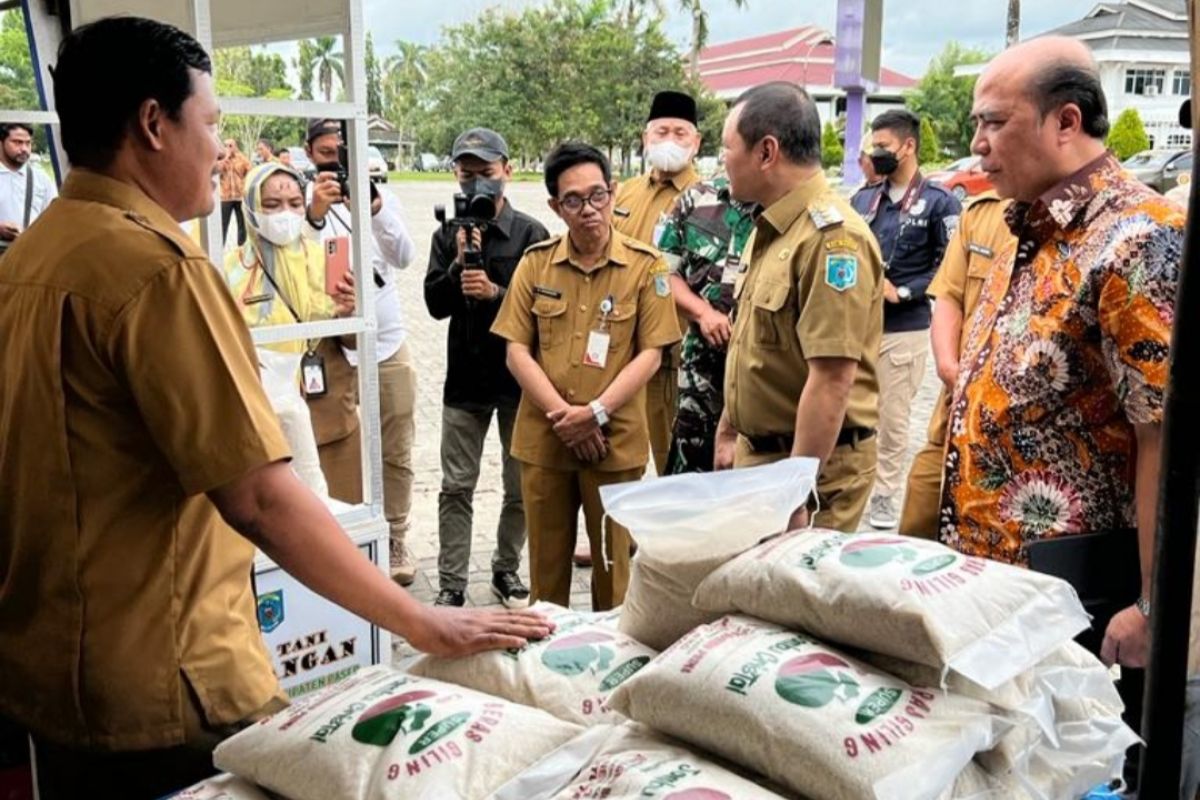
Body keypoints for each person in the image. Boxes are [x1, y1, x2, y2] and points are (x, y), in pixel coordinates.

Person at [0, 17, 551, 799]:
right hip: (163, 682)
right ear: (155, 125)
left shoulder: (33, 253)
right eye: (213, 124)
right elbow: (257, 494)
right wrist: (424, 622)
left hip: (50, 668)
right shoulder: (157, 269)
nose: (220, 149)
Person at [943, 39, 1183, 788]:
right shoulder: (1028, 226)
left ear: (1065, 121)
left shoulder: (1136, 239)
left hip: (1073, 606)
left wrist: (1154, 602)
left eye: (992, 123)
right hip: (996, 590)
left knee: (1068, 774)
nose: (977, 146)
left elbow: (1164, 438)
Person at [492, 142, 681, 611]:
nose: (589, 210)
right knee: (546, 575)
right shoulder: (535, 263)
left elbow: (652, 354)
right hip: (546, 439)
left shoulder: (647, 266)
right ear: (556, 206)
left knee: (613, 572)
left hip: (614, 443)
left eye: (598, 195)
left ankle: (611, 671)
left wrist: (595, 414)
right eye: (573, 200)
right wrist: (566, 418)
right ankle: (547, 670)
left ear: (613, 193)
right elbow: (517, 351)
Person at [714, 81, 883, 533]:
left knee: (795, 599)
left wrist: (796, 492)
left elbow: (831, 380)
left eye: (727, 149)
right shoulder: (771, 227)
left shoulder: (831, 241)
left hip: (810, 473)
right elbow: (756, 346)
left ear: (766, 152)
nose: (722, 161)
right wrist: (730, 429)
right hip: (764, 458)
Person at [424, 128, 550, 608]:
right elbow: (434, 304)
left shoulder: (531, 235)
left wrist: (497, 295)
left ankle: (505, 569)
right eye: (467, 173)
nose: (477, 183)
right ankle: (452, 581)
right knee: (456, 486)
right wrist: (457, 268)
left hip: (518, 382)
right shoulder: (445, 232)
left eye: (486, 173)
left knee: (520, 486)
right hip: (465, 382)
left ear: (508, 171)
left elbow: (544, 310)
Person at [304, 118, 420, 585]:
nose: (337, 160)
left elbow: (405, 255)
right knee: (335, 448)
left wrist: (370, 207)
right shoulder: (301, 200)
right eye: (328, 152)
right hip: (330, 350)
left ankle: (394, 536)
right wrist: (313, 212)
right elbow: (289, 253)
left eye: (345, 151)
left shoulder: (376, 196)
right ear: (311, 153)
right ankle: (342, 540)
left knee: (396, 446)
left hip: (386, 341)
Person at [851, 109, 962, 530]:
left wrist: (904, 291)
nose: (876, 154)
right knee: (851, 411)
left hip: (905, 326)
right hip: (859, 324)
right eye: (873, 147)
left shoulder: (939, 202)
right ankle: (852, 485)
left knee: (892, 417)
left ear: (908, 146)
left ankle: (884, 494)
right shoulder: (864, 199)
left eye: (883, 147)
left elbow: (952, 265)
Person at [896, 190, 1014, 537]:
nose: (980, 142)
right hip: (953, 421)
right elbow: (949, 295)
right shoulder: (982, 214)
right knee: (917, 527)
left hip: (1019, 448)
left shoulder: (1100, 220)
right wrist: (949, 368)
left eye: (995, 129)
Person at [613, 90, 703, 478]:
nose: (670, 140)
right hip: (619, 346)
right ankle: (625, 537)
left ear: (697, 143)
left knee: (669, 455)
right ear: (645, 137)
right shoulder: (624, 192)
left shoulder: (709, 199)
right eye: (661, 131)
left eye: (680, 133)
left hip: (671, 352)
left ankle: (674, 538)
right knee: (618, 450)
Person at [656, 174, 755, 474]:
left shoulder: (784, 207)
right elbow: (661, 273)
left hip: (757, 370)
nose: (727, 154)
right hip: (700, 369)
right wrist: (702, 313)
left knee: (745, 475)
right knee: (690, 469)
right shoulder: (698, 198)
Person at [0, 122, 57, 256]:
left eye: (28, 143)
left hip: (30, 255)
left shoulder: (41, 179)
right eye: (17, 142)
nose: (24, 148)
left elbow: (53, 217)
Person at [218, 137, 250, 246]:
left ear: (235, 146)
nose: (228, 148)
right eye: (226, 145)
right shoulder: (221, 159)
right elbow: (217, 172)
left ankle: (241, 248)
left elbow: (250, 171)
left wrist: (243, 183)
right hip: (225, 196)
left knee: (242, 224)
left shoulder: (242, 158)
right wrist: (226, 157)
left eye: (230, 145)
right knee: (223, 224)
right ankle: (220, 247)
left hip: (240, 196)